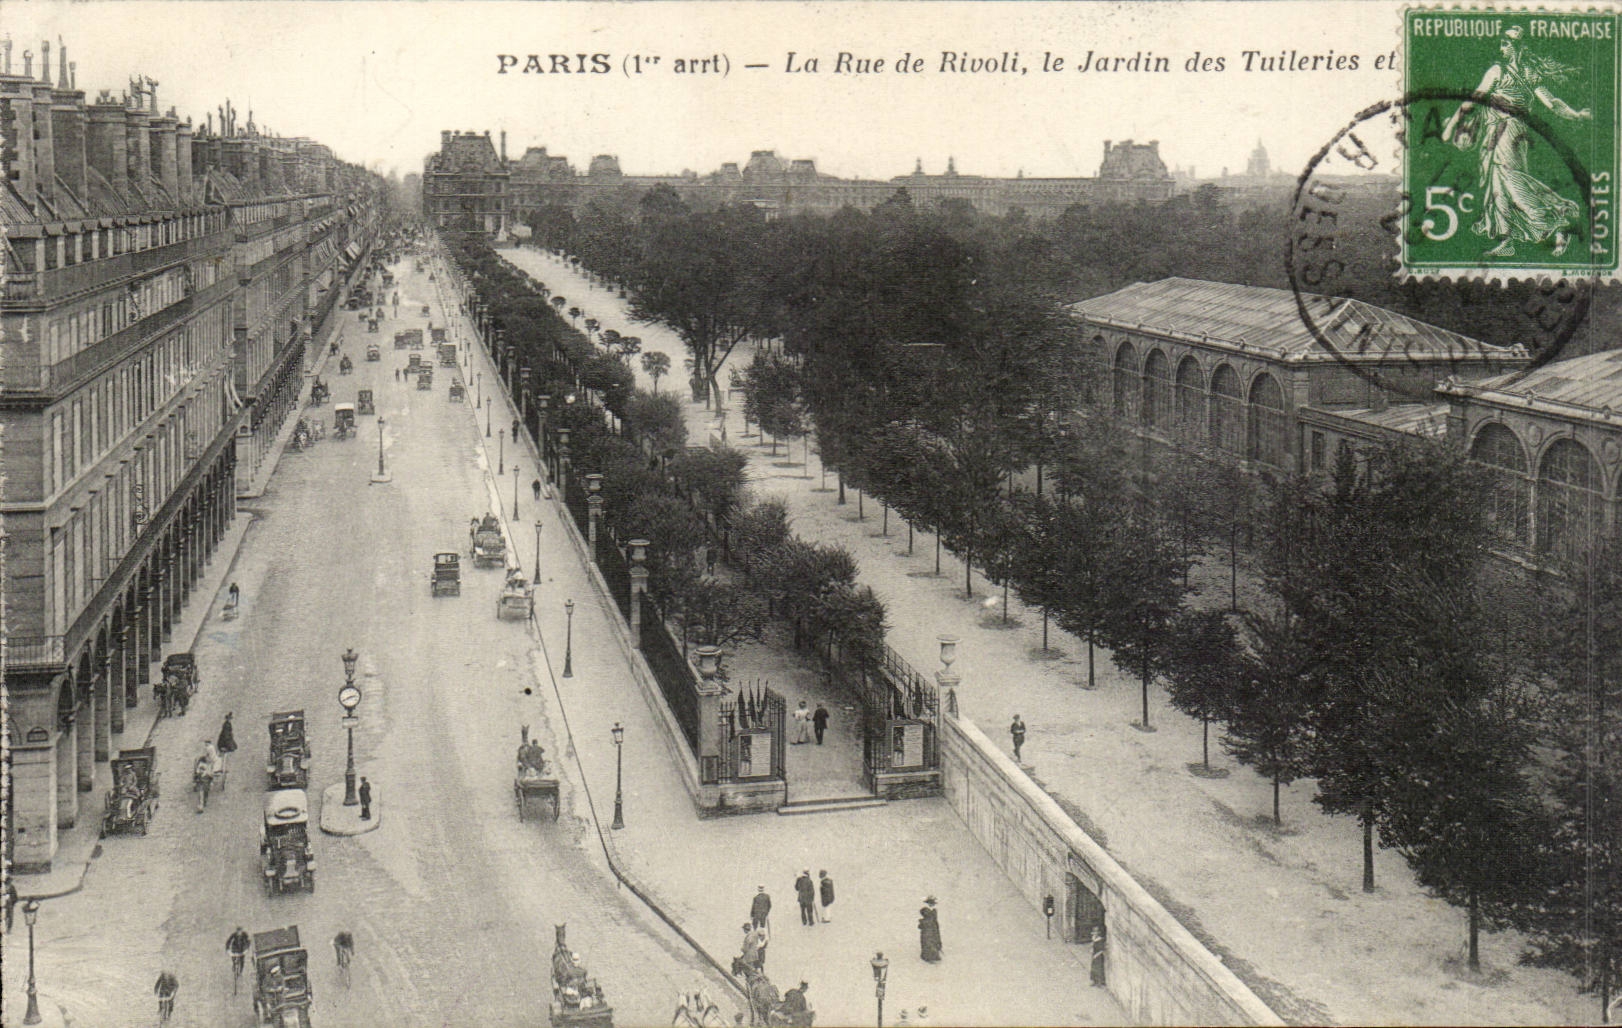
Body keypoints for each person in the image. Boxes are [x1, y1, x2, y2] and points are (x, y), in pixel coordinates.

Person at [1442, 25, 1592, 258]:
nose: (1502, 48)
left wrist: (1450, 126)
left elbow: (1474, 100)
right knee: (1498, 186)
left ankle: (1558, 220)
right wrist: (1576, 115)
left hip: (1508, 131)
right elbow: (1552, 103)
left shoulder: (1503, 71)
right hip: (1507, 133)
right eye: (1502, 43)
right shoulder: (1524, 73)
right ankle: (1507, 239)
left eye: (1506, 44)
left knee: (1512, 182)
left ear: (1518, 47)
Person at [918, 896, 942, 963]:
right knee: (928, 941)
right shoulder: (927, 910)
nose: (932, 904)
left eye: (933, 903)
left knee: (932, 941)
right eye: (931, 903)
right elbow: (927, 919)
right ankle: (928, 957)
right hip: (928, 928)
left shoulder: (933, 911)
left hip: (932, 928)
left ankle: (933, 956)